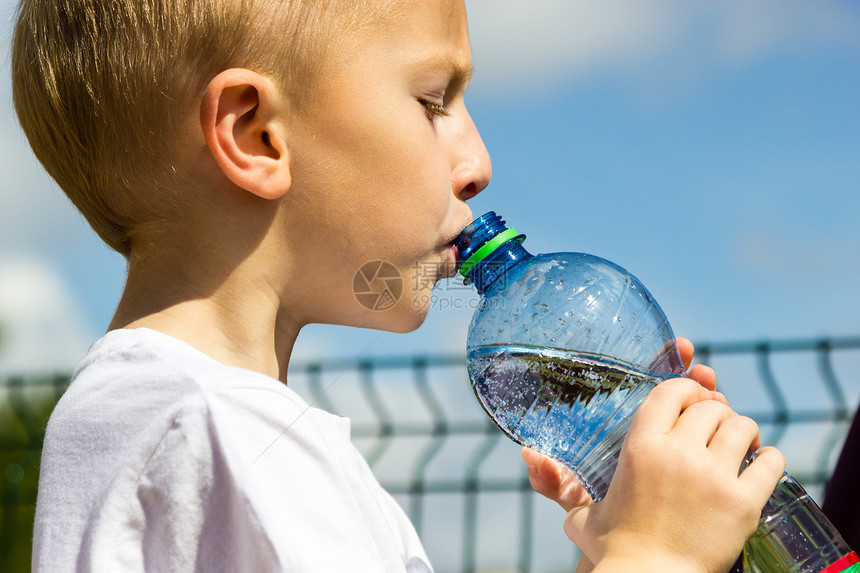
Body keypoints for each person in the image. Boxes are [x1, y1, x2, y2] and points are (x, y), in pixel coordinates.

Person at [11, 0, 784, 571]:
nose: (478, 160)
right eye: (433, 101)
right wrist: (657, 555)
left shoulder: (141, 420)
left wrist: (615, 545)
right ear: (256, 134)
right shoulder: (220, 433)